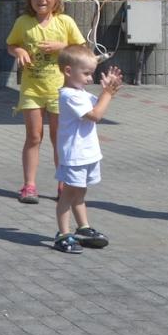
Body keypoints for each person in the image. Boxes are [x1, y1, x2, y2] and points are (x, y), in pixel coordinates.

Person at [5, 0, 85, 204]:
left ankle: (63, 184)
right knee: (33, 137)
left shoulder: (65, 22)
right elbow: (11, 45)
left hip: (60, 91)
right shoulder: (23, 22)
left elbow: (82, 49)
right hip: (32, 89)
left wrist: (62, 46)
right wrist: (19, 51)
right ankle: (29, 185)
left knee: (59, 138)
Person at [53, 46, 123, 253]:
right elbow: (95, 115)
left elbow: (98, 105)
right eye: (86, 73)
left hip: (87, 153)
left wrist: (109, 89)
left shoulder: (80, 93)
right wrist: (107, 94)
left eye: (91, 73)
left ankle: (83, 227)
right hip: (75, 155)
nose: (90, 78)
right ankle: (63, 234)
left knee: (80, 192)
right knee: (68, 194)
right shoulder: (69, 95)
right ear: (68, 71)